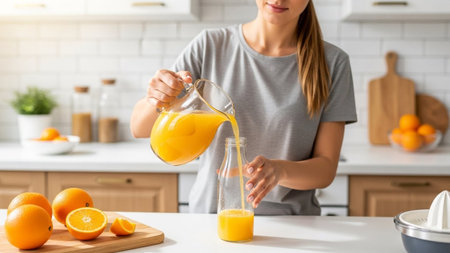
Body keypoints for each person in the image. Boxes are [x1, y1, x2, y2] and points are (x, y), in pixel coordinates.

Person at [130, 0, 357, 215]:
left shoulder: (333, 63)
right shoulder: (209, 45)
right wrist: (158, 96)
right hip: (212, 219)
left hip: (292, 225)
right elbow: (139, 128)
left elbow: (325, 169)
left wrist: (280, 170)